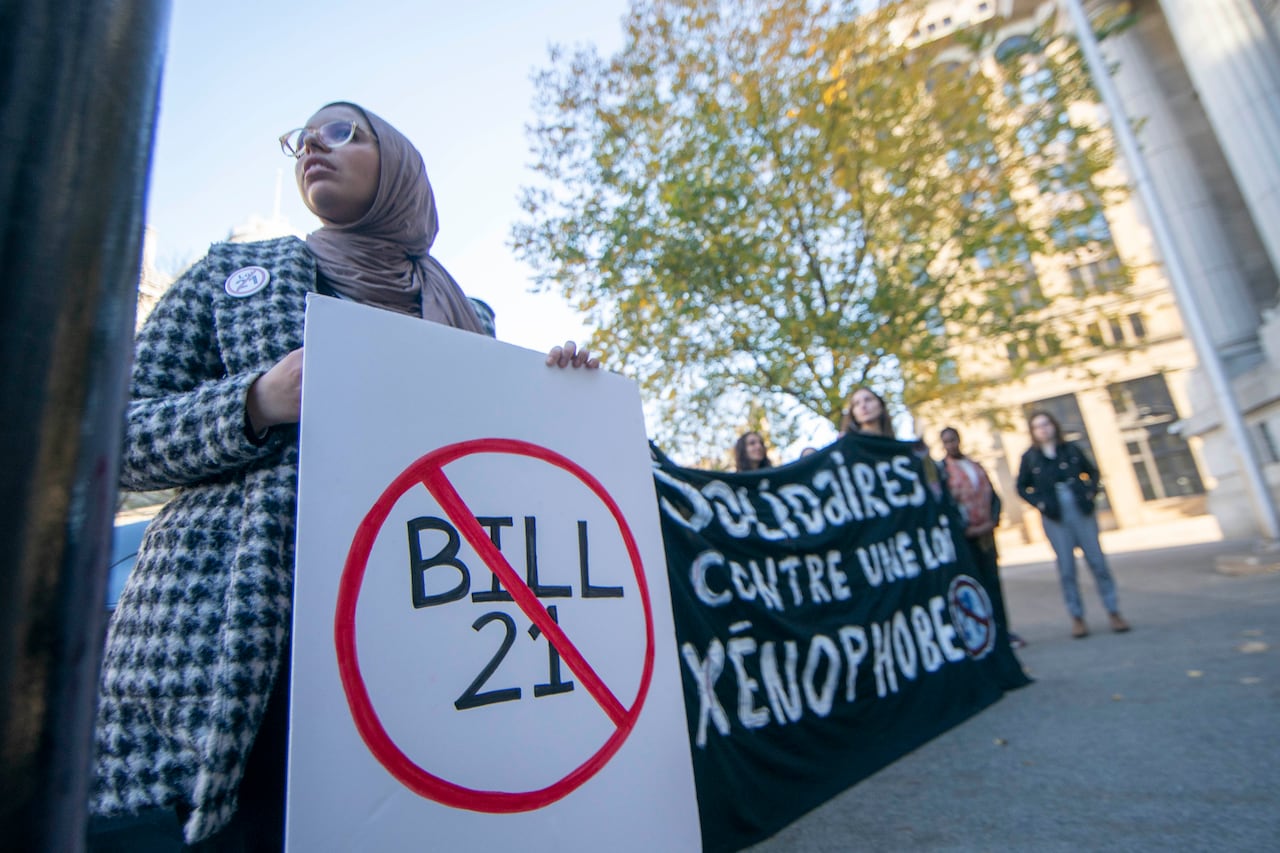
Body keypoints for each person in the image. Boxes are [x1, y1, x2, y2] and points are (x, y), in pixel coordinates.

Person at [88, 102, 597, 851]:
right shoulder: (230, 278)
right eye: (299, 140)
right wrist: (256, 401)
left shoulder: (471, 319)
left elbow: (504, 477)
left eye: (339, 131)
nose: (310, 149)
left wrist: (564, 399)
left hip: (420, 630)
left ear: (398, 163)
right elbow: (114, 438)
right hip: (240, 649)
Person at [1015, 411, 1130, 639]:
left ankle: (1113, 611)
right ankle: (1077, 617)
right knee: (1066, 568)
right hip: (1054, 514)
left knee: (1097, 562)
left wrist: (1090, 494)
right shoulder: (1030, 457)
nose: (1043, 429)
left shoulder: (1071, 449)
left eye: (1046, 424)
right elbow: (1021, 486)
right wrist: (1040, 503)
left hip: (1079, 508)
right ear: (1033, 432)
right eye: (1037, 426)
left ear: (1054, 425)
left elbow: (1093, 472)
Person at [939, 427, 1024, 649]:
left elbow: (993, 495)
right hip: (966, 538)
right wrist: (963, 529)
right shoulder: (943, 472)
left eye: (953, 440)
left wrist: (993, 520)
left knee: (993, 582)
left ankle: (1003, 631)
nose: (951, 445)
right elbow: (947, 506)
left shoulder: (975, 466)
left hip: (986, 532)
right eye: (946, 442)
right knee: (974, 586)